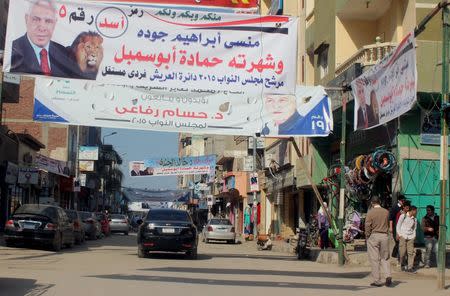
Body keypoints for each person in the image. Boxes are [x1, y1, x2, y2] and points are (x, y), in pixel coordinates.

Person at [10, 0, 79, 77]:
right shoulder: (12, 50)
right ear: (26, 19)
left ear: (55, 23)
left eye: (48, 21)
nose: (42, 28)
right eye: (36, 19)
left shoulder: (63, 53)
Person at [365, 195, 392, 287]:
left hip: (374, 235)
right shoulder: (386, 212)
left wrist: (367, 236)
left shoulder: (370, 212)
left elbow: (367, 226)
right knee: (385, 257)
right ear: (379, 202)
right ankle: (388, 275)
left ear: (372, 203)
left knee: (374, 259)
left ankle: (377, 280)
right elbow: (388, 224)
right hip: (384, 235)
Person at [397, 205, 418, 273]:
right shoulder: (403, 216)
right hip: (403, 236)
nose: (416, 212)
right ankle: (402, 264)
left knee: (410, 252)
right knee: (402, 252)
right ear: (412, 211)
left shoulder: (415, 219)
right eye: (416, 211)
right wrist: (400, 235)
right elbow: (398, 226)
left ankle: (410, 267)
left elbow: (414, 229)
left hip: (411, 237)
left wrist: (414, 236)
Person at [389, 194, 406, 260]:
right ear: (399, 200)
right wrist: (390, 227)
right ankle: (395, 255)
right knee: (398, 241)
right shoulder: (394, 207)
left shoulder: (404, 207)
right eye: (402, 200)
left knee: (400, 242)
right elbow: (391, 218)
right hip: (395, 227)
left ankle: (396, 255)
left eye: (404, 200)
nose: (403, 201)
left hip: (402, 227)